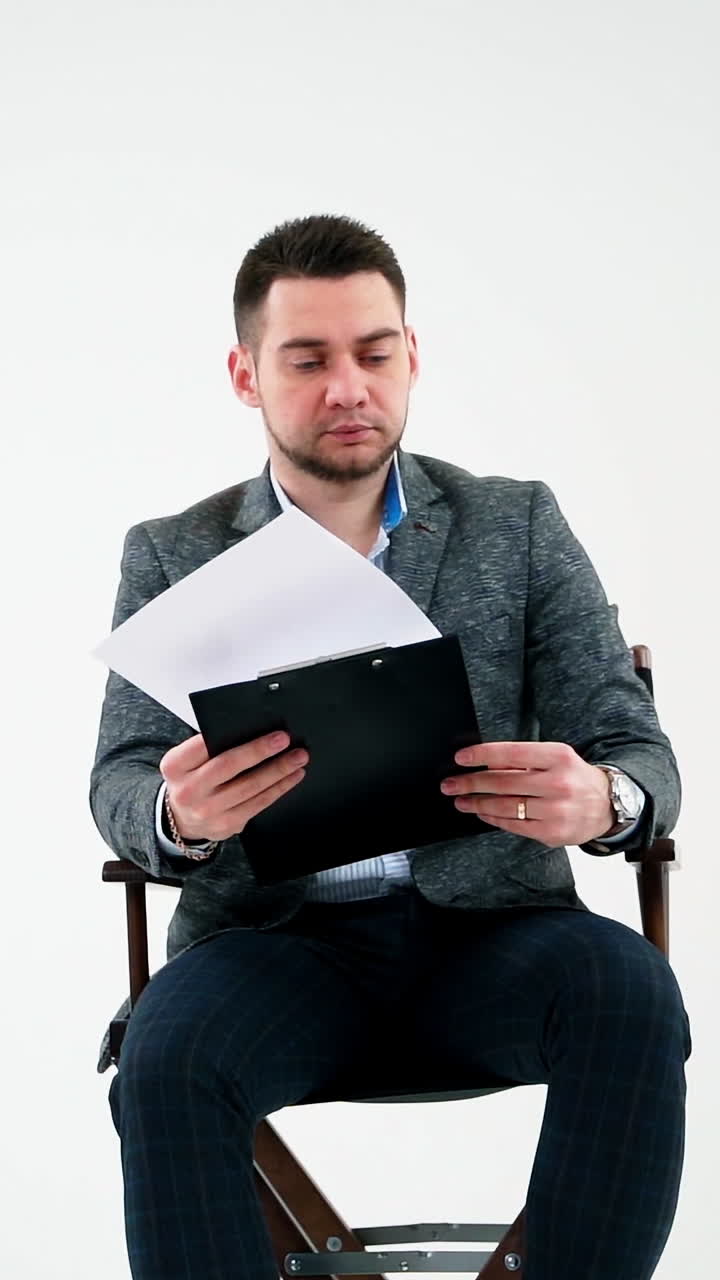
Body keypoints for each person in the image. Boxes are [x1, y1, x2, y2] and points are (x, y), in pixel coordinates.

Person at [91, 213, 690, 1280]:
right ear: (246, 374)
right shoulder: (172, 552)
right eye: (307, 359)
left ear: (410, 356)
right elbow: (123, 780)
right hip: (276, 948)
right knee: (165, 1050)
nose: (347, 387)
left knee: (632, 993)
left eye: (373, 352)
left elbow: (635, 745)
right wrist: (178, 817)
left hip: (494, 939)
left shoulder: (517, 523)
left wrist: (603, 797)